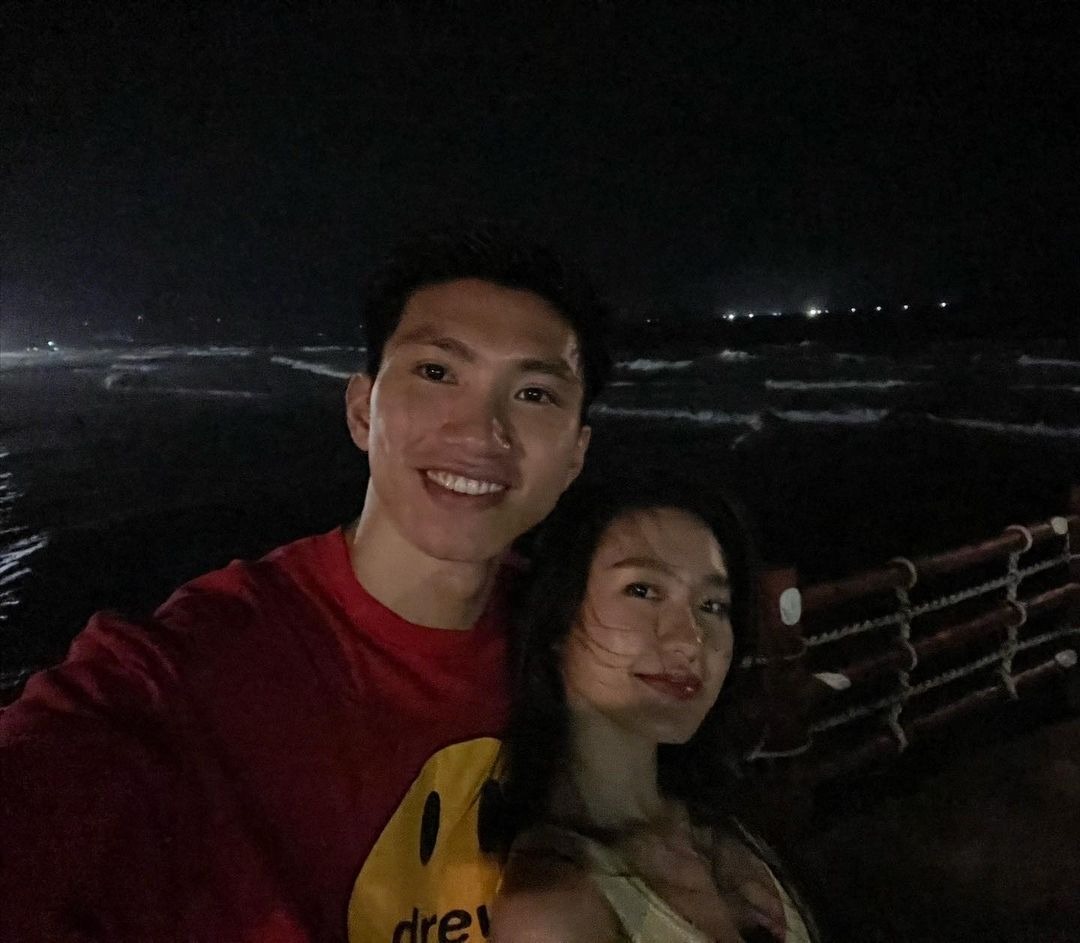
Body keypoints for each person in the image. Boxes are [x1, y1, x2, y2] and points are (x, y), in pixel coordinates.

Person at [0, 223, 610, 942]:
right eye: (437, 372)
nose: (482, 432)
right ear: (361, 411)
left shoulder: (585, 638)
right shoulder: (189, 676)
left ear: (576, 455)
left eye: (534, 392)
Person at [493, 483, 819, 942]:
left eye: (712, 605)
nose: (690, 639)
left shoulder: (725, 831)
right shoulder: (554, 912)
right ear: (557, 622)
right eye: (642, 590)